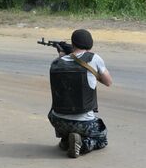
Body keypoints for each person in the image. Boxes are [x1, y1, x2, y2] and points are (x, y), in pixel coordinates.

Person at [48, 29, 113, 158]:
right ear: (90, 44)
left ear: (73, 44)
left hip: (57, 121)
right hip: (84, 123)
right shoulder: (94, 58)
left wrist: (62, 54)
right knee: (102, 138)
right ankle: (82, 144)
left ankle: (66, 140)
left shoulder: (56, 63)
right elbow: (108, 82)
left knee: (66, 122)